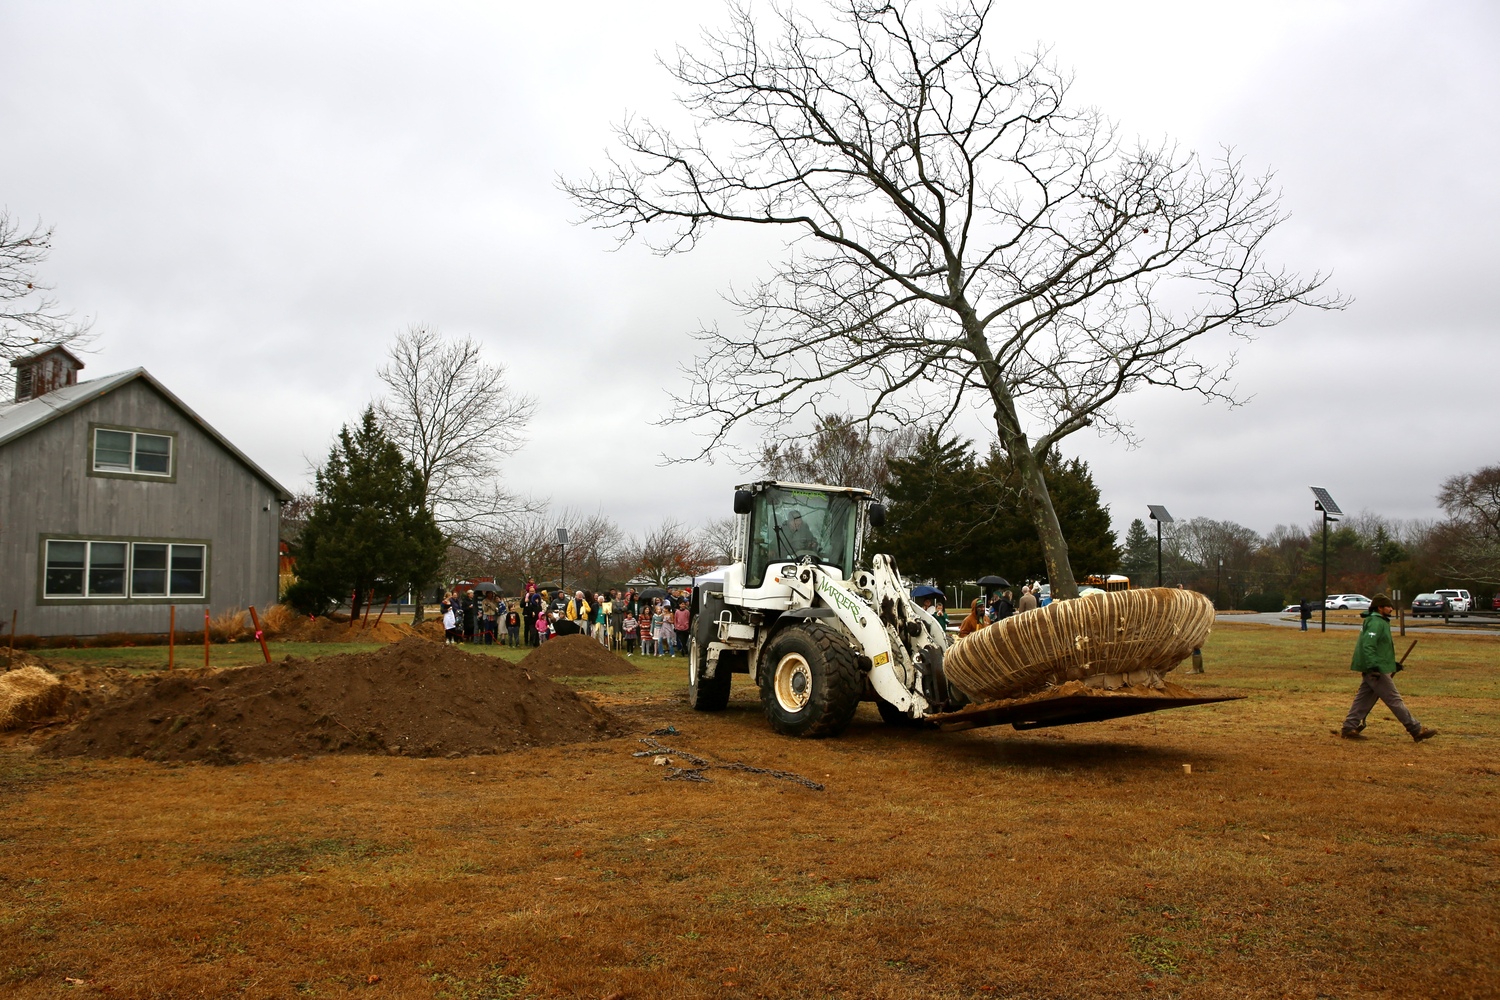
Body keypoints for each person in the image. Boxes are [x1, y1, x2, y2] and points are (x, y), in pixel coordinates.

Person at [1341, 594, 1437, 742]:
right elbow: (1369, 645)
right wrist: (1373, 666)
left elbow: (1380, 648)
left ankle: (1349, 727)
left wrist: (1391, 665)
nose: (1391, 609)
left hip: (1376, 667)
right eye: (1388, 606)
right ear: (1380, 608)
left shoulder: (1379, 621)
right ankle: (1415, 729)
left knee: (1363, 698)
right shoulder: (1375, 622)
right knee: (1394, 699)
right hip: (1375, 669)